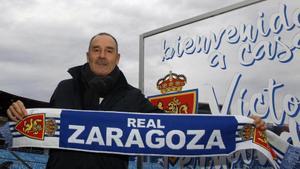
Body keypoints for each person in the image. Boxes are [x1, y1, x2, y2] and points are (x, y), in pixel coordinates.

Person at [6, 32, 267, 169]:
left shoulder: (132, 97)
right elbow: (40, 128)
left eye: (109, 51)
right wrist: (17, 115)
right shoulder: (64, 88)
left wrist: (240, 125)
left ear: (117, 58)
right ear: (88, 55)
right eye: (96, 50)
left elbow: (179, 128)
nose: (102, 56)